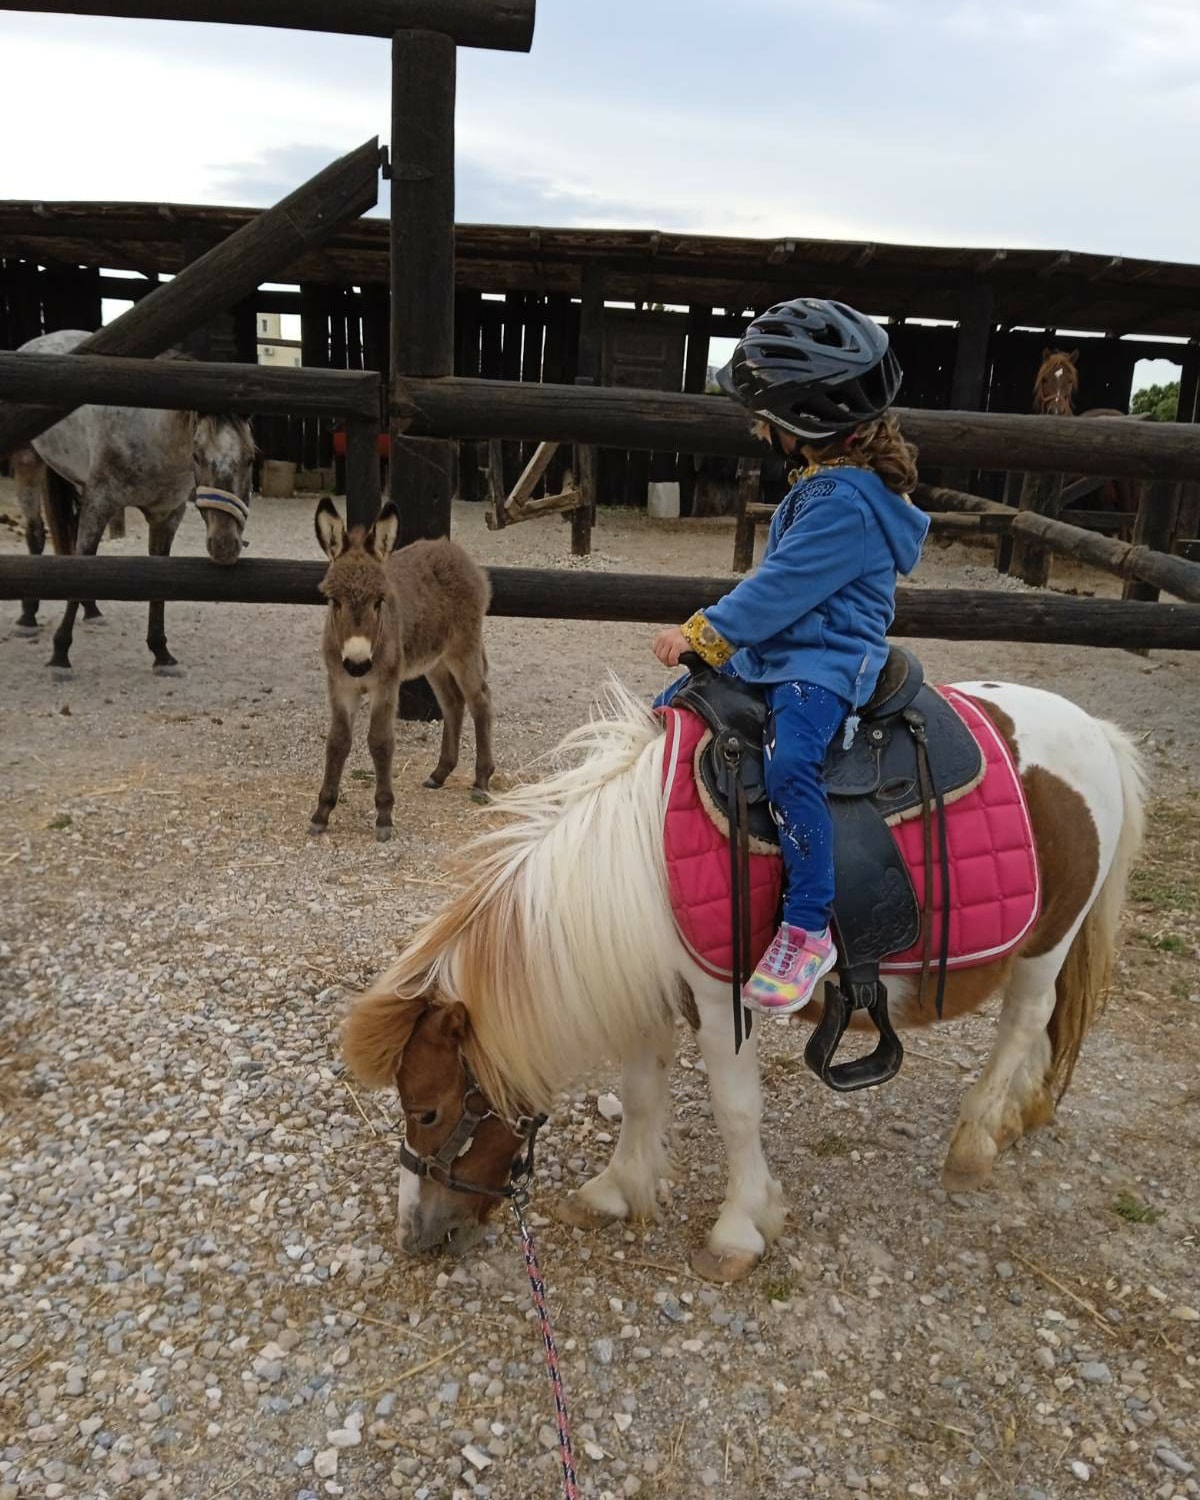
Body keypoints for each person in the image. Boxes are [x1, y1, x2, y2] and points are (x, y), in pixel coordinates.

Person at [653, 298, 929, 1015]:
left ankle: (808, 926)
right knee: (672, 714)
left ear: (801, 421)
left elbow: (780, 589)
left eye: (764, 417)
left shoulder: (844, 503)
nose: (759, 429)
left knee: (790, 763)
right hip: (787, 648)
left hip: (825, 662)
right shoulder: (829, 486)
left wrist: (703, 633)